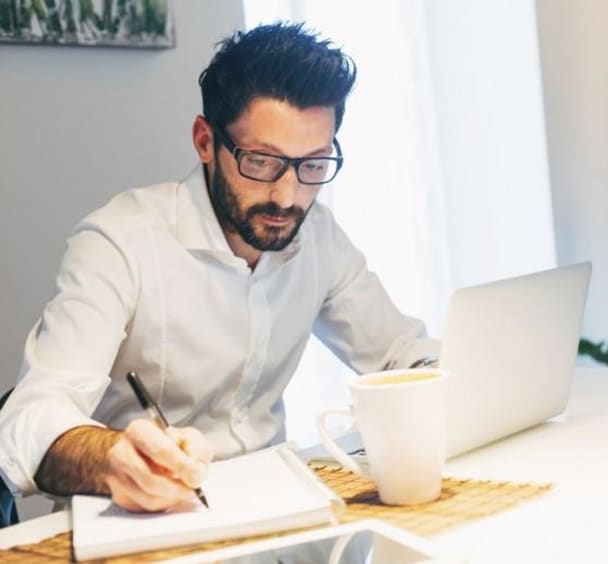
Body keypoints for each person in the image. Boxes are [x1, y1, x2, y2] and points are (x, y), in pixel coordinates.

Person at [0, 22, 439, 513]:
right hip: (144, 527)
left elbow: (399, 353)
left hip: (277, 519)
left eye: (313, 164)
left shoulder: (318, 236)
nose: (287, 196)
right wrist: (112, 459)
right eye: (261, 161)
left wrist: (455, 376)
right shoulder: (120, 242)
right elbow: (29, 417)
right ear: (205, 141)